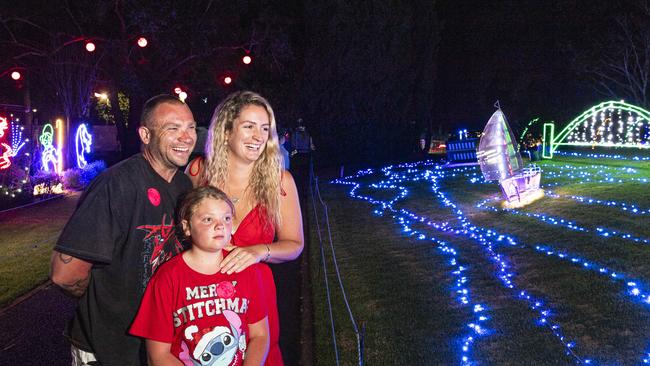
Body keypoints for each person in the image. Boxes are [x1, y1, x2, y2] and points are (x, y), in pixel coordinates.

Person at [50, 94, 197, 366]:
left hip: (158, 346)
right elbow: (65, 274)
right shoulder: (115, 185)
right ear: (145, 134)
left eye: (190, 127)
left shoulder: (184, 187)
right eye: (172, 128)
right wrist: (108, 307)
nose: (186, 137)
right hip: (106, 349)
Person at [185, 91, 303, 365]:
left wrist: (257, 251)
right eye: (249, 127)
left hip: (256, 301)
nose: (258, 136)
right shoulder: (197, 172)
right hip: (204, 298)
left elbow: (294, 245)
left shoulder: (280, 182)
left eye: (264, 129)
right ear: (226, 131)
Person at [129, 186, 269, 366]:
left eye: (226, 218)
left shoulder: (246, 269)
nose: (220, 226)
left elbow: (260, 335)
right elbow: (158, 356)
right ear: (187, 227)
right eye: (208, 219)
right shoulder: (167, 278)